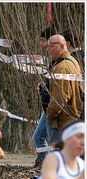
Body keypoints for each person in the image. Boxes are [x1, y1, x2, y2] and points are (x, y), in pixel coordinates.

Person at [45, 34, 84, 144]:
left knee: (60, 156)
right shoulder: (68, 61)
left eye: (51, 46)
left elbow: (60, 98)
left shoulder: (63, 67)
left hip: (61, 121)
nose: (48, 50)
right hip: (66, 119)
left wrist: (49, 115)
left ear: (62, 46)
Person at [32, 28, 57, 167]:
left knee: (54, 143)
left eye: (43, 41)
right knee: (38, 137)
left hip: (53, 108)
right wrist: (43, 86)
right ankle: (48, 165)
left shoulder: (59, 61)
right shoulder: (50, 60)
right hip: (47, 107)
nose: (41, 44)